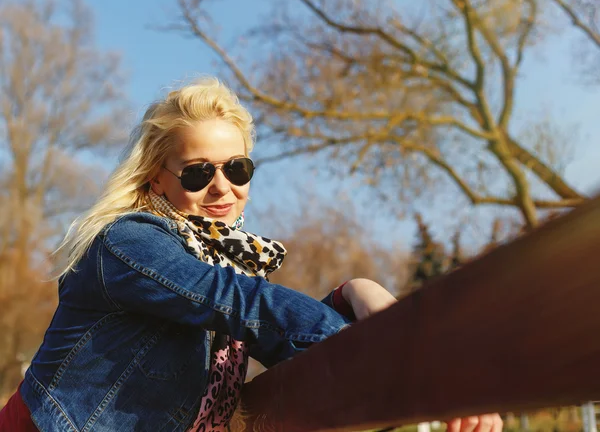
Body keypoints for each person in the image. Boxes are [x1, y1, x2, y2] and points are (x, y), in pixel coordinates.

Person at [0, 78, 502, 432]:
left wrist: (357, 295)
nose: (223, 188)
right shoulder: (128, 243)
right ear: (156, 176)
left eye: (237, 168)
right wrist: (418, 361)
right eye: (198, 171)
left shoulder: (226, 258)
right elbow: (243, 305)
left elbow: (284, 336)